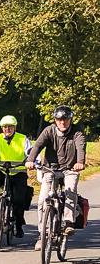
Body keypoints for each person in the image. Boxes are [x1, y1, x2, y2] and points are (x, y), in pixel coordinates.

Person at [26, 105, 86, 250]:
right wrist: (30, 159)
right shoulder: (49, 130)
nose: (62, 122)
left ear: (70, 119)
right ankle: (42, 235)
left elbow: (81, 147)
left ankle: (68, 222)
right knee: (42, 200)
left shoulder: (77, 133)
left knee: (70, 190)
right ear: (55, 120)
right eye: (59, 120)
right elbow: (38, 145)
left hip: (70, 169)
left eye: (65, 119)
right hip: (50, 169)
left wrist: (80, 162)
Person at [0, 114, 32, 238]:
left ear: (14, 127)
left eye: (10, 127)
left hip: (18, 171)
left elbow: (30, 151)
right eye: (4, 127)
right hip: (2, 169)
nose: (7, 129)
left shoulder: (22, 138)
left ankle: (18, 225)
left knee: (19, 200)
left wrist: (32, 161)